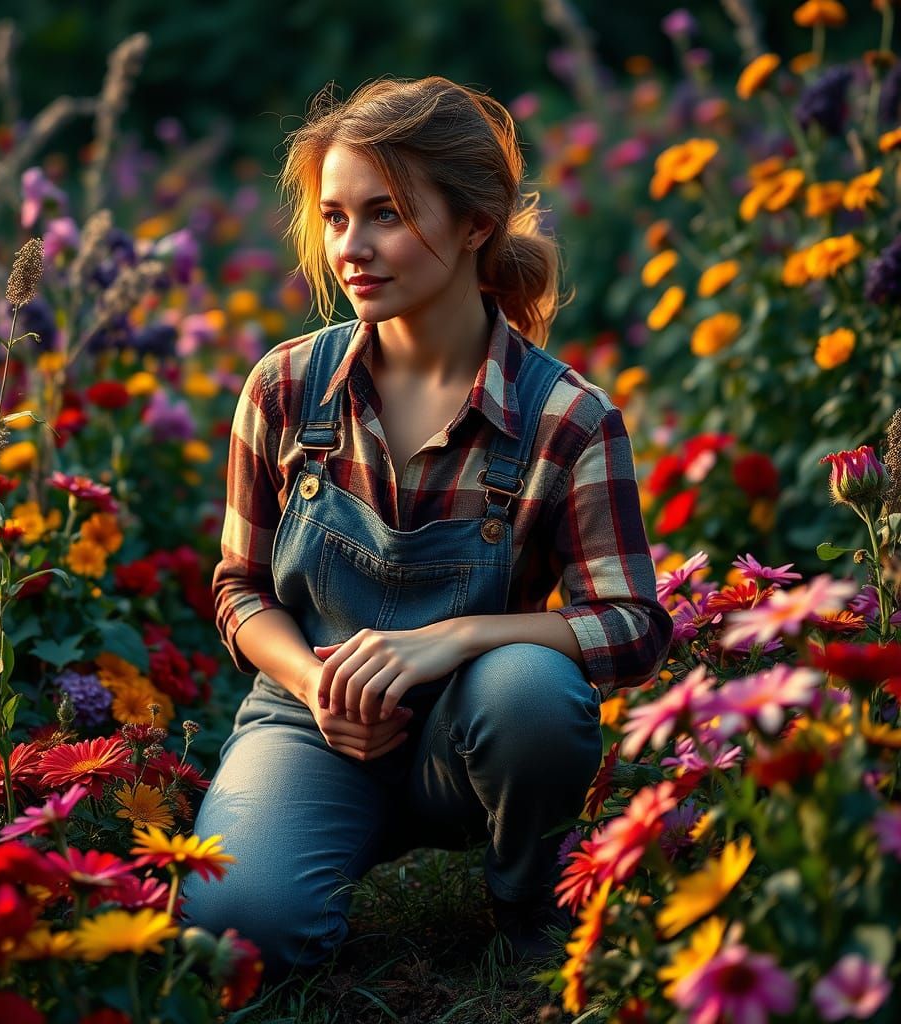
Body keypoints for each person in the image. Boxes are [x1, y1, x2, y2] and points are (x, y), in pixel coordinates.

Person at [184, 75, 672, 981]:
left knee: (530, 689)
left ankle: (528, 892)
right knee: (236, 937)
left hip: (471, 731)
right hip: (311, 725)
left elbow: (634, 624)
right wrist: (320, 684)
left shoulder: (565, 418)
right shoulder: (286, 388)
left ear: (475, 223)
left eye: (387, 214)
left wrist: (459, 639)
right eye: (335, 217)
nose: (352, 249)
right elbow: (238, 588)